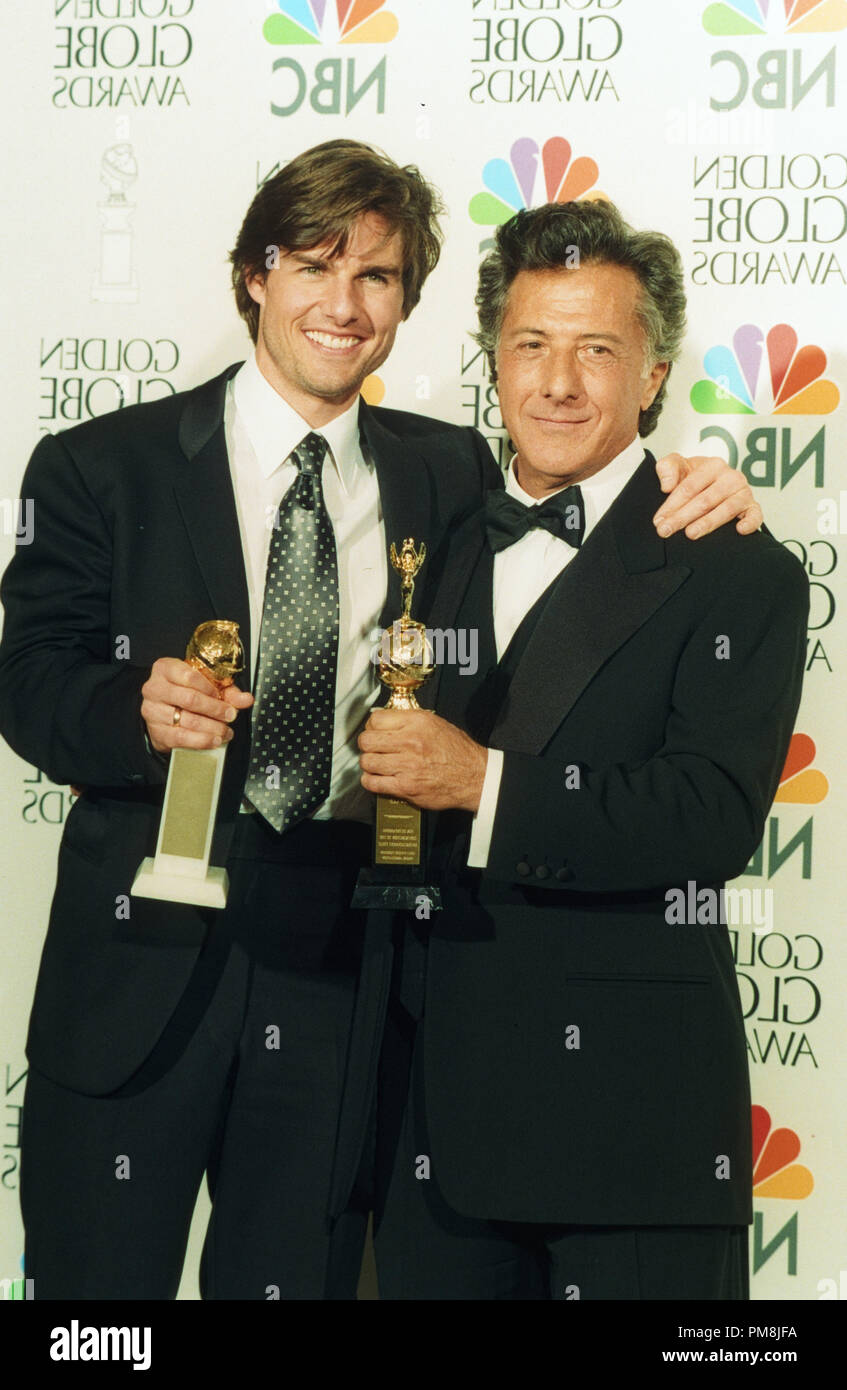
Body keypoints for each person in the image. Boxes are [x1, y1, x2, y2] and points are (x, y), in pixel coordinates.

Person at [0, 142, 759, 1301]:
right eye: (315, 266)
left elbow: (593, 496)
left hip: (340, 985)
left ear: (408, 304)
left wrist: (704, 485)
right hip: (137, 973)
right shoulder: (106, 467)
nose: (344, 306)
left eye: (380, 279)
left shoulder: (452, 476)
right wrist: (130, 709)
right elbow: (28, 682)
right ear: (254, 275)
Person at [352, 199, 809, 1300]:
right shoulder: (432, 529)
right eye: (530, 345)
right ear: (492, 361)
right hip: (428, 1125)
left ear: (652, 374)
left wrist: (486, 784)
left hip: (631, 1133)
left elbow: (709, 815)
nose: (558, 382)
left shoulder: (731, 563)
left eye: (596, 350)